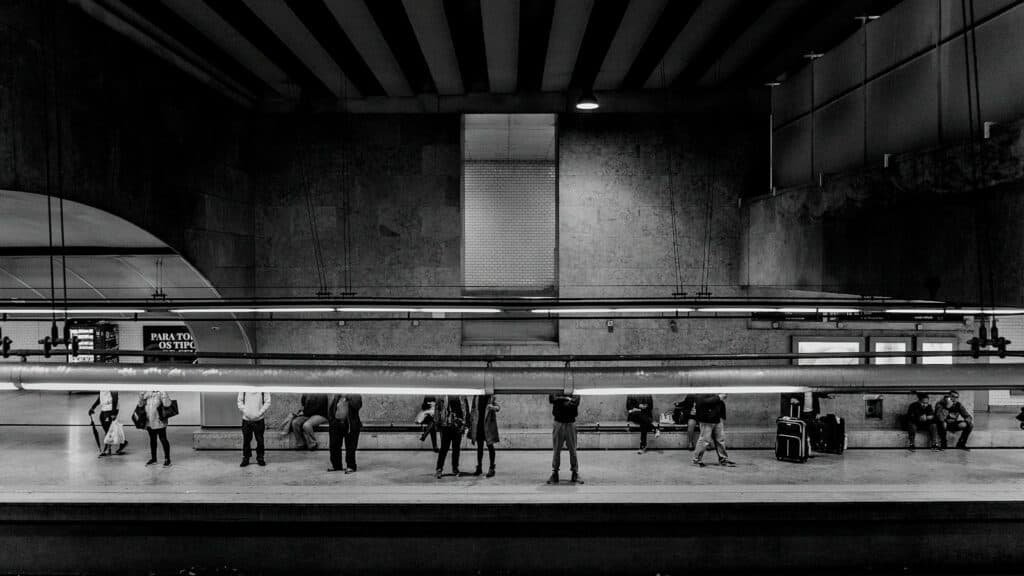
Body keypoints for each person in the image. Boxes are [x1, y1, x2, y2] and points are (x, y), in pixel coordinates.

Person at [547, 393, 583, 484]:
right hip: (558, 422)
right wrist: (567, 399)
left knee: (573, 450)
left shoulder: (575, 388)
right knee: (556, 450)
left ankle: (575, 473)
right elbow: (552, 399)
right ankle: (555, 473)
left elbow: (575, 403)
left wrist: (559, 400)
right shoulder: (556, 386)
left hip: (570, 422)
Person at [692, 393, 735, 467]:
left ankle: (723, 460)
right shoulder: (701, 387)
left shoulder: (716, 386)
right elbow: (701, 401)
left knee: (720, 440)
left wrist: (722, 416)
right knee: (704, 440)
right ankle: (696, 460)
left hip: (717, 417)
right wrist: (718, 397)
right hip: (706, 418)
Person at [434, 395, 470, 478]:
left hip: (458, 425)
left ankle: (455, 468)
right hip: (446, 425)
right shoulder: (442, 396)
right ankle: (439, 469)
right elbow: (437, 409)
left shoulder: (462, 396)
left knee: (456, 448)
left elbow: (466, 410)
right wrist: (437, 423)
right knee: (444, 448)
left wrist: (465, 424)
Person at [327, 393, 363, 473]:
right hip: (336, 423)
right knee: (334, 445)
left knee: (350, 447)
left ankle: (351, 466)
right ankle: (336, 466)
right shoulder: (337, 396)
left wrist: (348, 396)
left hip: (350, 424)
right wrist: (332, 420)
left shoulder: (355, 395)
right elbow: (332, 409)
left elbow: (357, 405)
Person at [467, 394, 500, 477]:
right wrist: (471, 423)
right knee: (479, 447)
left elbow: (498, 407)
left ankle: (492, 468)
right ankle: (479, 467)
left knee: (490, 446)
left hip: (488, 425)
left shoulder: (491, 396)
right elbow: (473, 410)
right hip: (479, 424)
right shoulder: (476, 396)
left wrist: (492, 407)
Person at [237, 391, 271, 467]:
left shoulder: (263, 387)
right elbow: (239, 401)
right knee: (246, 440)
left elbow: (267, 402)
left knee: (260, 440)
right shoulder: (243, 386)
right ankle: (246, 458)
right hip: (246, 419)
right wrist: (246, 412)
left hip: (259, 420)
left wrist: (259, 413)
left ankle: (260, 457)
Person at [138, 390, 172, 467]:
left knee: (163, 439)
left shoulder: (161, 392)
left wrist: (163, 394)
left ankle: (167, 460)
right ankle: (154, 459)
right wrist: (141, 395)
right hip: (149, 421)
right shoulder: (146, 392)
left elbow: (167, 404)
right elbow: (140, 405)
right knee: (152, 440)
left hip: (159, 421)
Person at [89, 390, 126, 456]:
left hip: (110, 409)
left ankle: (107, 449)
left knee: (108, 430)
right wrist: (93, 407)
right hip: (104, 408)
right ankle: (122, 442)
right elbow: (100, 397)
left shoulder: (111, 382)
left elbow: (115, 398)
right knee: (107, 428)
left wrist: (113, 413)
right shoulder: (102, 383)